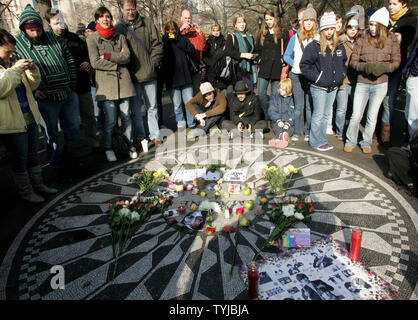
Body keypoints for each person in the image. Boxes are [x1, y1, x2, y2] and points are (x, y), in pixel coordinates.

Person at [14, 4, 79, 169]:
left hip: (67, 92)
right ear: (24, 29)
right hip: (46, 99)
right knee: (51, 133)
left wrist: (72, 83)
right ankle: (54, 164)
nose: (36, 33)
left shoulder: (53, 38)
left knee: (72, 128)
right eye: (31, 31)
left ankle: (76, 158)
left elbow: (69, 60)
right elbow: (18, 74)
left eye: (38, 29)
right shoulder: (18, 46)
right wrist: (34, 90)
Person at [0, 28, 57, 203]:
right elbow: (2, 88)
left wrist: (32, 70)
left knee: (33, 154)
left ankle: (39, 185)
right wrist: (16, 70)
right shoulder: (10, 68)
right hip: (12, 123)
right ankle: (26, 191)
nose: (10, 55)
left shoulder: (11, 64)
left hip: (29, 116)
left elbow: (32, 85)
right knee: (20, 158)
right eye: (7, 51)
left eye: (11, 51)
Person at [344, 7, 401, 154]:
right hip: (363, 82)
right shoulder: (362, 38)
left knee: (372, 116)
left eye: (376, 25)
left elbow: (396, 62)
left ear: (383, 26)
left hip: (380, 84)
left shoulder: (392, 40)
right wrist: (365, 67)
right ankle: (350, 140)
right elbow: (353, 61)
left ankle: (366, 141)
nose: (373, 28)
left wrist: (383, 68)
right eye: (371, 24)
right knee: (356, 115)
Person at [86, 6, 137, 162]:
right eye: (102, 17)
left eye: (108, 16)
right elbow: (95, 62)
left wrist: (108, 56)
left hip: (124, 83)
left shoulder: (120, 37)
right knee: (110, 119)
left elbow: (127, 57)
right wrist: (116, 62)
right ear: (97, 20)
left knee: (127, 116)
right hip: (107, 86)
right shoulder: (92, 39)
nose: (106, 19)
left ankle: (130, 145)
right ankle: (109, 147)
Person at [45, 9, 99, 149]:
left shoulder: (75, 38)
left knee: (89, 116)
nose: (60, 26)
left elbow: (88, 54)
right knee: (71, 122)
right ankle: (74, 149)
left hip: (82, 85)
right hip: (66, 88)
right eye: (56, 23)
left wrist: (87, 61)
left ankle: (93, 143)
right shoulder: (49, 42)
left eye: (61, 21)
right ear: (49, 23)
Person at [118, 0, 164, 148]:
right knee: (136, 110)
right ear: (122, 9)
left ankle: (155, 135)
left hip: (149, 72)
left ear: (136, 8)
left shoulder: (147, 23)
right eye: (127, 9)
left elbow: (158, 44)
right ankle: (141, 136)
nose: (130, 12)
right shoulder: (119, 28)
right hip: (131, 76)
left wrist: (153, 63)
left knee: (152, 107)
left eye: (132, 9)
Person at [300, 12, 347, 152]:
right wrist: (317, 78)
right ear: (321, 29)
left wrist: (341, 76)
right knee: (318, 115)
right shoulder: (314, 46)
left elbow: (343, 63)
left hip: (333, 87)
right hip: (319, 87)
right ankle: (315, 141)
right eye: (326, 29)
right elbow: (304, 65)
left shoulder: (339, 46)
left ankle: (322, 139)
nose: (329, 32)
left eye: (332, 28)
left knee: (326, 115)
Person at [380, 0, 417, 147]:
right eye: (390, 3)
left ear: (404, 4)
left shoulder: (410, 20)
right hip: (380, 64)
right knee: (378, 97)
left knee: (389, 99)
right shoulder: (384, 18)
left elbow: (401, 41)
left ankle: (385, 135)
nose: (391, 6)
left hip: (396, 65)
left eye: (395, 3)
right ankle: (375, 130)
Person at [283, 4, 319, 142]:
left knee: (310, 106)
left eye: (311, 20)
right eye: (306, 20)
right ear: (302, 22)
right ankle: (298, 131)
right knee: (299, 106)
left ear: (315, 22)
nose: (308, 23)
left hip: (312, 75)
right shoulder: (296, 37)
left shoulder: (318, 36)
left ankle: (308, 131)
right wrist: (296, 64)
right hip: (297, 75)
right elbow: (286, 55)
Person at [255, 9, 290, 120]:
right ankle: (266, 115)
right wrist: (259, 59)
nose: (268, 21)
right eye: (266, 19)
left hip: (277, 67)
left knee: (275, 95)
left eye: (270, 19)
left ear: (275, 18)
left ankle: (273, 116)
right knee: (261, 94)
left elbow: (287, 49)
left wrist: (283, 60)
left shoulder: (282, 32)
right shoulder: (262, 33)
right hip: (264, 67)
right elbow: (258, 49)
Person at [161, 21, 195, 130]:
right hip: (172, 78)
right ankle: (180, 124)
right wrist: (167, 39)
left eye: (173, 31)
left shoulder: (182, 38)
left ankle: (192, 124)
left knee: (189, 103)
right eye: (169, 31)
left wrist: (179, 39)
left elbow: (191, 49)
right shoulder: (163, 41)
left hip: (185, 76)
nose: (171, 33)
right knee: (177, 105)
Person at [334, 10, 361, 141]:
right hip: (343, 80)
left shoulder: (361, 42)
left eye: (356, 27)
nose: (353, 30)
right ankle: (340, 132)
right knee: (341, 109)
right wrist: (340, 81)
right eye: (350, 26)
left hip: (356, 80)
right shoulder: (339, 41)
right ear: (346, 27)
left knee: (352, 110)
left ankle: (349, 130)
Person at [224, 12, 257, 92]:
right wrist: (243, 55)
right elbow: (228, 51)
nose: (242, 24)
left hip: (249, 70)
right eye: (239, 22)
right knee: (239, 93)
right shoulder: (232, 36)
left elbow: (254, 51)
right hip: (237, 70)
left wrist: (254, 56)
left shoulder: (250, 37)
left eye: (243, 22)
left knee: (250, 93)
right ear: (235, 24)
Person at [179, 9, 207, 96]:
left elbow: (201, 47)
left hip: (194, 66)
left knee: (195, 94)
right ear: (181, 19)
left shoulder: (195, 32)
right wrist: (180, 31)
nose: (188, 20)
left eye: (189, 18)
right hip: (181, 67)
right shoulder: (177, 31)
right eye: (185, 18)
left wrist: (200, 33)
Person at [268, 78, 295, 148]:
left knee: (290, 128)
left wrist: (288, 123)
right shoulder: (275, 97)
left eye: (283, 89)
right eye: (280, 88)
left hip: (288, 121)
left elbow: (293, 113)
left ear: (288, 90)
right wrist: (278, 120)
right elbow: (272, 110)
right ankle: (281, 136)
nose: (280, 90)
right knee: (276, 126)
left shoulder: (292, 100)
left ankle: (279, 138)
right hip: (277, 120)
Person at [202, 23, 229, 92]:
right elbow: (204, 56)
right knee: (212, 94)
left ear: (220, 31)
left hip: (222, 72)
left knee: (223, 93)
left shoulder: (224, 42)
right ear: (211, 31)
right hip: (211, 71)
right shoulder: (208, 42)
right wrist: (211, 63)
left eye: (217, 30)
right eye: (214, 30)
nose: (216, 32)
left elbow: (227, 55)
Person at [403, 38, 418, 138]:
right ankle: (412, 145)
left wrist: (413, 72)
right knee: (410, 112)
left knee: (413, 115)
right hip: (413, 76)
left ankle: (413, 146)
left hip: (415, 76)